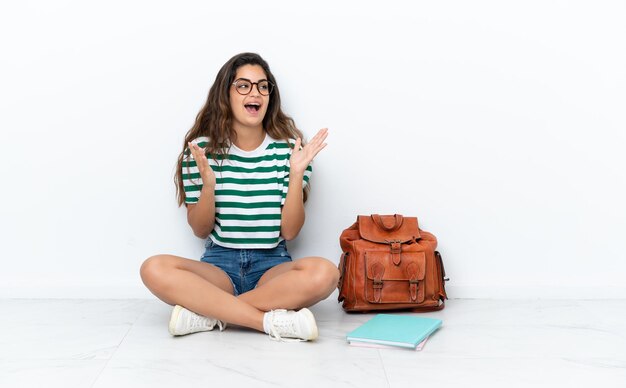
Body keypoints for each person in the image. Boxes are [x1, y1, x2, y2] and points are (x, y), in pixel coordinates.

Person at [140, 52, 339, 342]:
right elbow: (200, 229)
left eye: (262, 85)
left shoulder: (289, 151)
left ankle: (208, 314)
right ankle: (266, 322)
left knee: (326, 273)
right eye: (243, 85)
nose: (255, 92)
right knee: (153, 268)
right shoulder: (201, 151)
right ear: (226, 94)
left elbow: (290, 231)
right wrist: (208, 184)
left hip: (271, 268)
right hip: (218, 267)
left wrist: (297, 174)